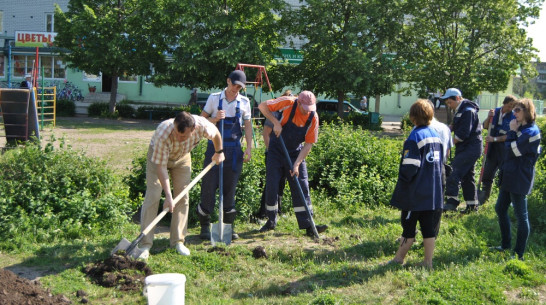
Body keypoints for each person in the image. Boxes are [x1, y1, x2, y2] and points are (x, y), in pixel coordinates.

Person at [138, 111, 225, 259]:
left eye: (183, 136)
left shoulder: (202, 125)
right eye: (177, 133)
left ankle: (178, 241)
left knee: (182, 196)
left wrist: (219, 152)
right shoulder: (163, 133)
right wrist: (168, 196)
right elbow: (161, 168)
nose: (178, 138)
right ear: (174, 125)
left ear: (193, 129)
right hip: (158, 159)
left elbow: (216, 133)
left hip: (182, 157)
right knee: (154, 194)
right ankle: (144, 245)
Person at [257, 90, 328, 237]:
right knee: (272, 185)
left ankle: (308, 224)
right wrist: (276, 123)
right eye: (305, 108)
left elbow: (308, 145)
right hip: (276, 150)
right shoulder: (288, 103)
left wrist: (296, 164)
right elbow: (262, 106)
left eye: (310, 108)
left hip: (296, 152)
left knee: (301, 184)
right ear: (299, 102)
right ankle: (270, 221)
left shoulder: (313, 117)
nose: (307, 112)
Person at [387, 99, 444, 269]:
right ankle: (428, 262)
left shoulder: (414, 137)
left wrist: (402, 186)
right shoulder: (436, 135)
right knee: (429, 230)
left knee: (408, 228)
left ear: (412, 118)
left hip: (416, 194)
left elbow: (410, 168)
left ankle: (398, 259)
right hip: (433, 193)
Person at [197, 70, 252, 240]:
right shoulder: (214, 98)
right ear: (228, 81)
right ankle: (205, 227)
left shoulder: (244, 101)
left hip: (234, 152)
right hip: (214, 149)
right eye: (235, 85)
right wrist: (214, 119)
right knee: (208, 187)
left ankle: (228, 227)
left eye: (240, 87)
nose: (237, 89)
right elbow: (200, 120)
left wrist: (249, 148)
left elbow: (248, 126)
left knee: (230, 189)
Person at [492, 98, 540, 261]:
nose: (514, 113)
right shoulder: (521, 128)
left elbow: (513, 151)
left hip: (520, 178)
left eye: (517, 110)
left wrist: (511, 132)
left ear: (527, 111)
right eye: (514, 110)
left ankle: (518, 254)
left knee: (521, 216)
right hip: (510, 175)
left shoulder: (531, 132)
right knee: (500, 208)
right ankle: (505, 245)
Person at [442, 88, 482, 213]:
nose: (449, 105)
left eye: (450, 102)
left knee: (454, 172)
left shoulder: (468, 111)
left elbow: (462, 135)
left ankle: (451, 203)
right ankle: (472, 206)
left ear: (458, 98)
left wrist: (447, 142)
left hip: (470, 148)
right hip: (466, 148)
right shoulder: (460, 110)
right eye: (447, 103)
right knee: (467, 177)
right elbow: (454, 126)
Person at [256, 89, 293, 218]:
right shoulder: (274, 113)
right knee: (271, 183)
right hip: (273, 154)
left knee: (282, 183)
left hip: (285, 154)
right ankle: (263, 213)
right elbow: (266, 134)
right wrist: (271, 150)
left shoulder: (291, 114)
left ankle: (278, 209)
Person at [478, 95, 516, 205]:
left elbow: (509, 136)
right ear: (504, 103)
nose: (511, 108)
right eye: (510, 105)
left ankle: (504, 200)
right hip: (492, 150)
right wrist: (488, 117)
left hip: (504, 150)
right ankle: (483, 197)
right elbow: (485, 126)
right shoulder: (495, 112)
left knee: (504, 175)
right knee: (487, 173)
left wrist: (494, 139)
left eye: (513, 106)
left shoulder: (513, 117)